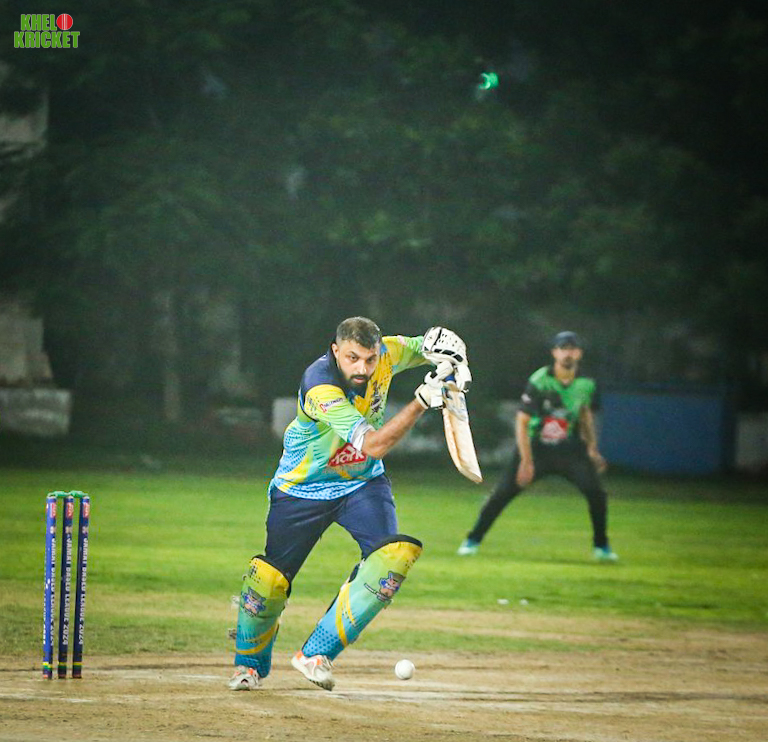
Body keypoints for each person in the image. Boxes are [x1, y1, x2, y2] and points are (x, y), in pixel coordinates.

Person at [229, 318, 470, 691]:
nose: (363, 368)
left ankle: (316, 654)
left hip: (362, 483)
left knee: (390, 561)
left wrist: (452, 358)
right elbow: (373, 445)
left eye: (370, 359)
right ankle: (248, 666)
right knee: (270, 581)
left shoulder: (387, 352)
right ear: (336, 350)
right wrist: (422, 401)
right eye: (352, 358)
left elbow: (428, 346)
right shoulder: (320, 386)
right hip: (302, 489)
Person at [457, 331, 618, 562]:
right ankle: (472, 540)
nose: (568, 353)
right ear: (554, 352)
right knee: (502, 494)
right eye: (563, 348)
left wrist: (592, 448)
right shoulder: (540, 380)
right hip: (536, 449)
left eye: (572, 348)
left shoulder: (587, 384)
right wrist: (526, 461)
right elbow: (522, 421)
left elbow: (585, 416)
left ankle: (602, 547)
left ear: (579, 353)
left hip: (569, 449)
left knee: (596, 494)